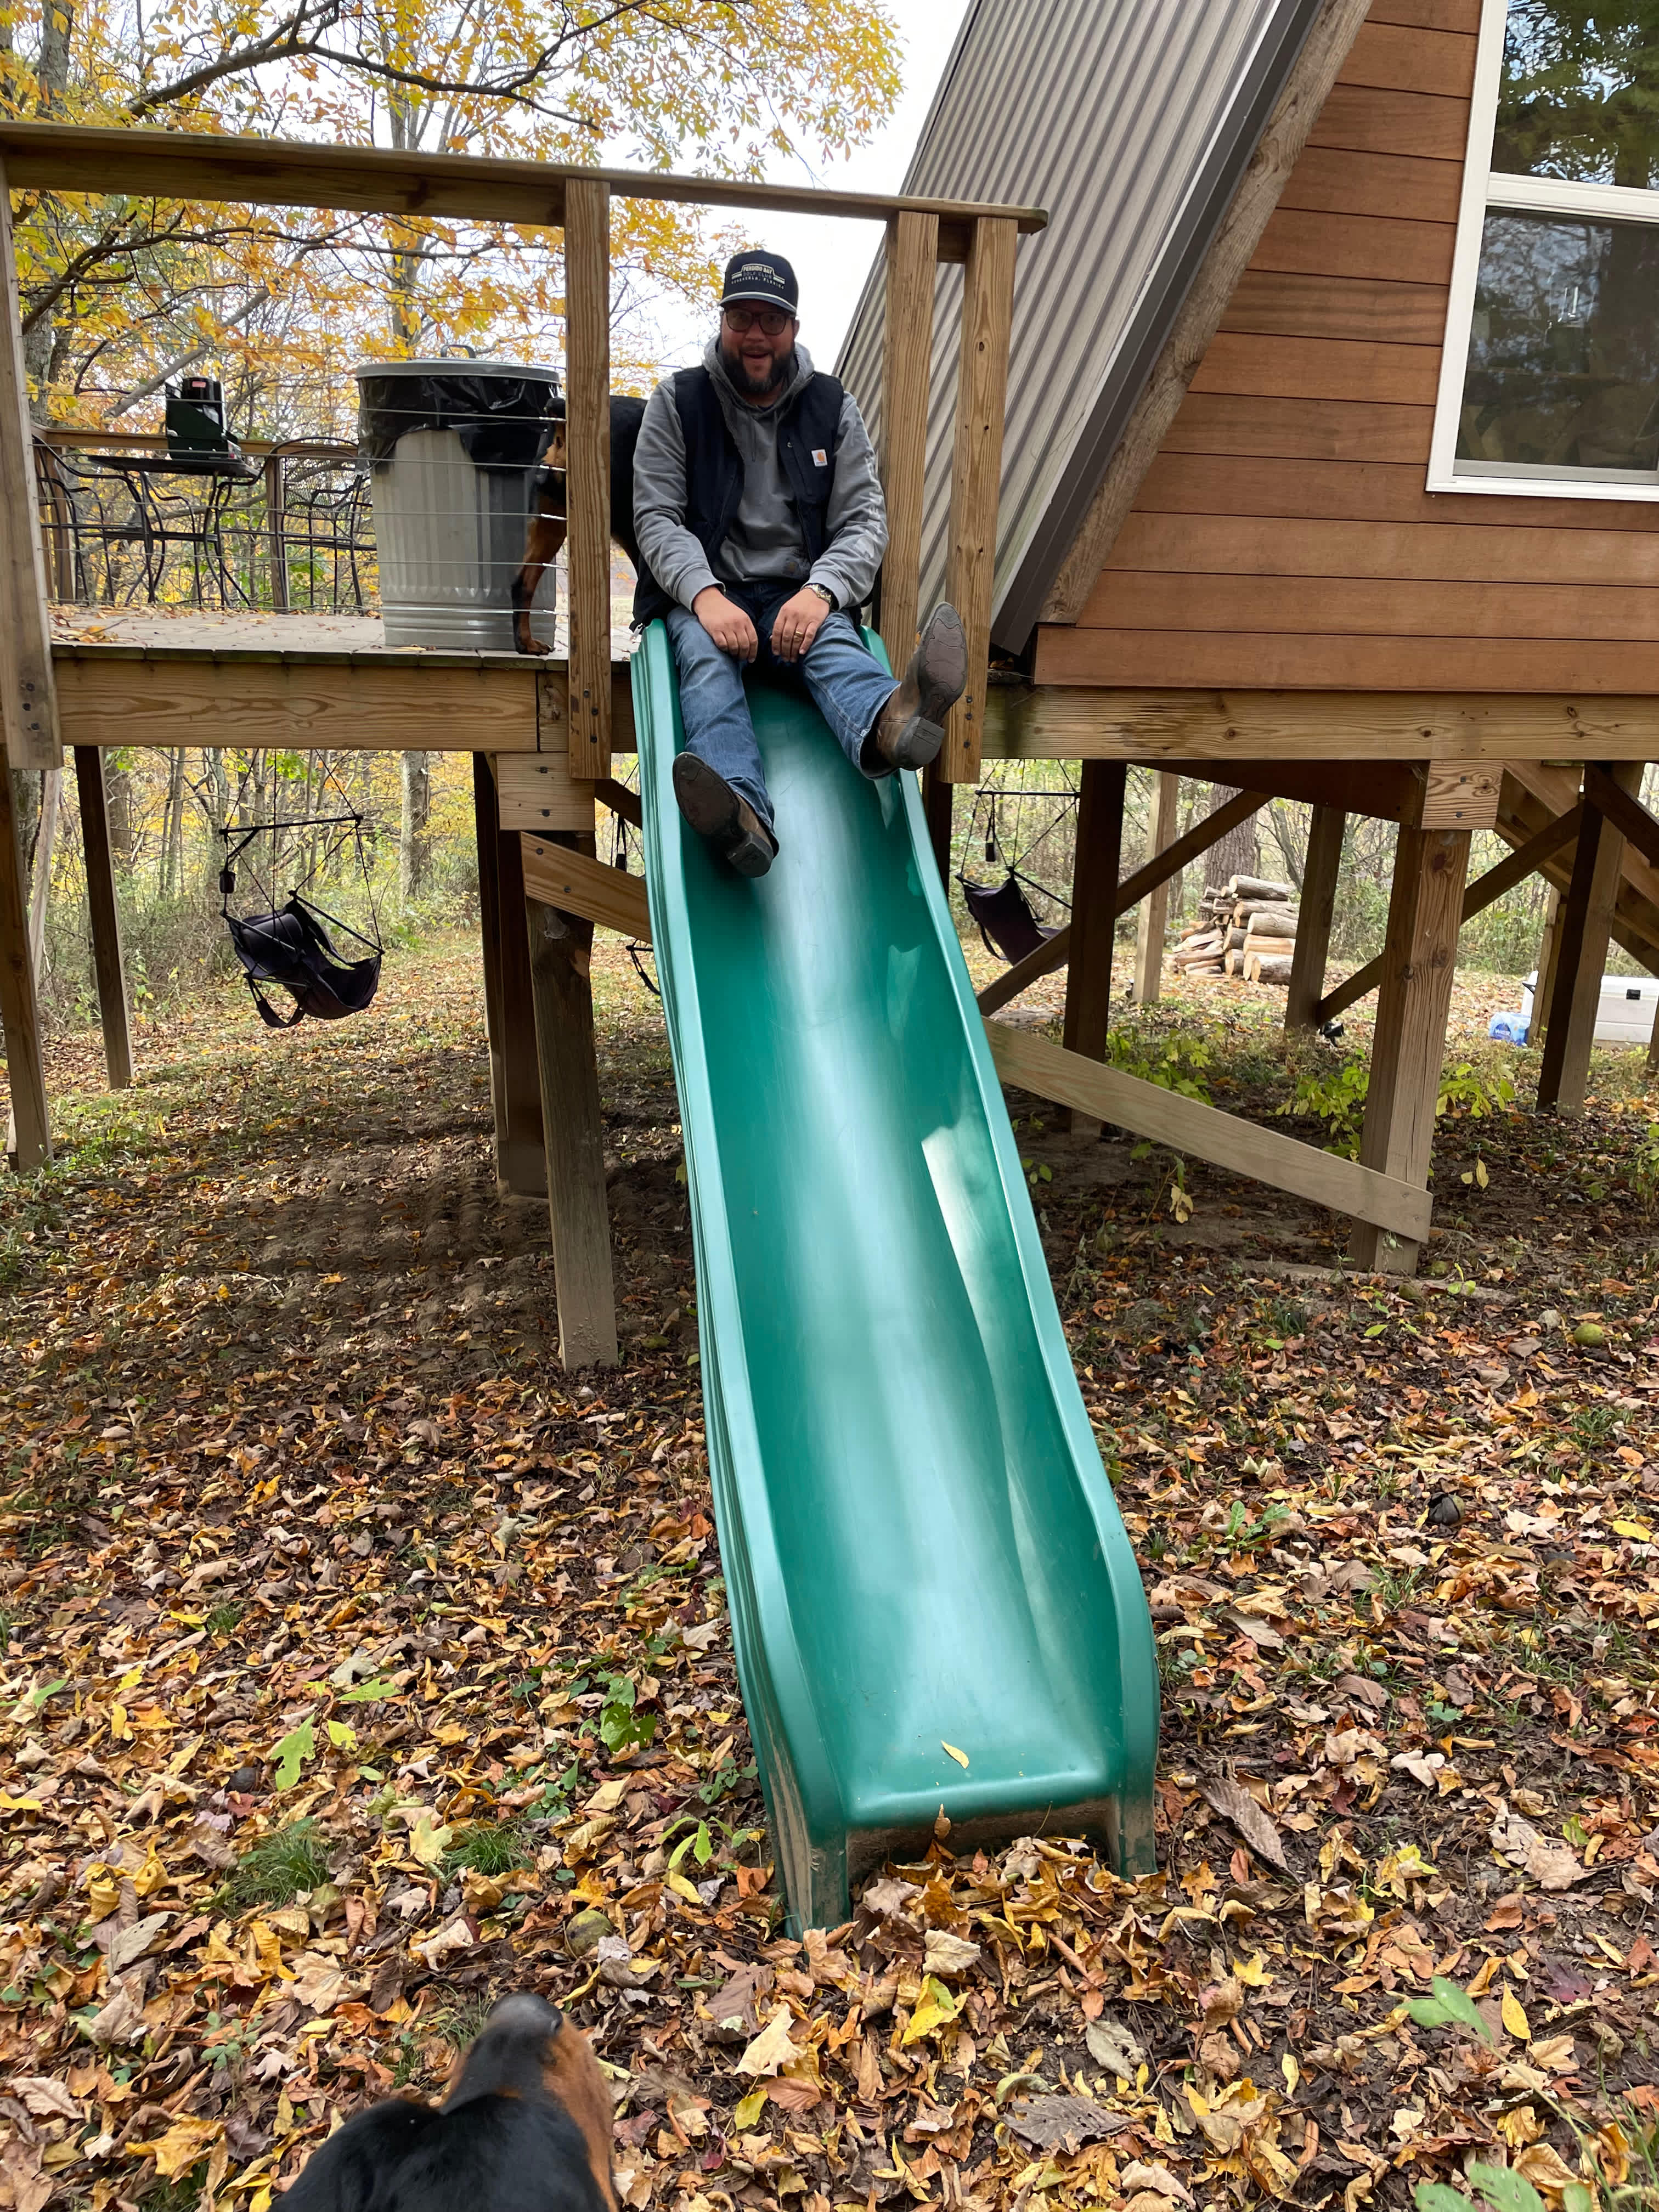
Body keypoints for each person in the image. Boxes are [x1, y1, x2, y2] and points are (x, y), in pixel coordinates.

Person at [631, 249, 967, 878]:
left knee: (836, 645)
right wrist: (704, 596)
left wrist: (823, 591)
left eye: (772, 321)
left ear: (794, 328)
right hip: (712, 594)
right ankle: (742, 813)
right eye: (742, 318)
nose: (756, 335)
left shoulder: (833, 407)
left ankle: (891, 724)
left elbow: (864, 522)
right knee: (706, 667)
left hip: (797, 593)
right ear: (723, 320)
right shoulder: (677, 402)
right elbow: (656, 516)